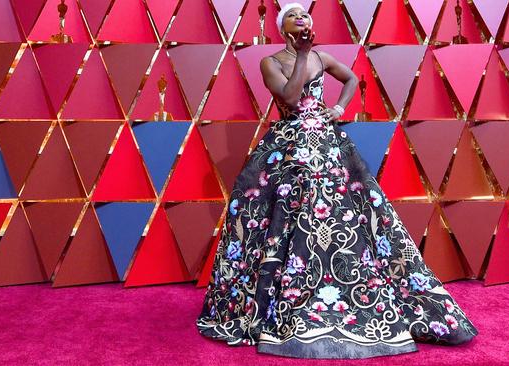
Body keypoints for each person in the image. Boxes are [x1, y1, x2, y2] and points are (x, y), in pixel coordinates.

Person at [196, 2, 479, 359]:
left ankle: (345, 282)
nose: (303, 18)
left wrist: (339, 109)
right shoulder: (271, 62)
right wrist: (301, 56)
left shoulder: (322, 57)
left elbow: (352, 78)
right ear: (284, 28)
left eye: (306, 15)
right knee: (286, 212)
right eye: (295, 16)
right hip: (290, 144)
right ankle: (289, 291)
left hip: (328, 142)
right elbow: (290, 97)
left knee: (349, 211)